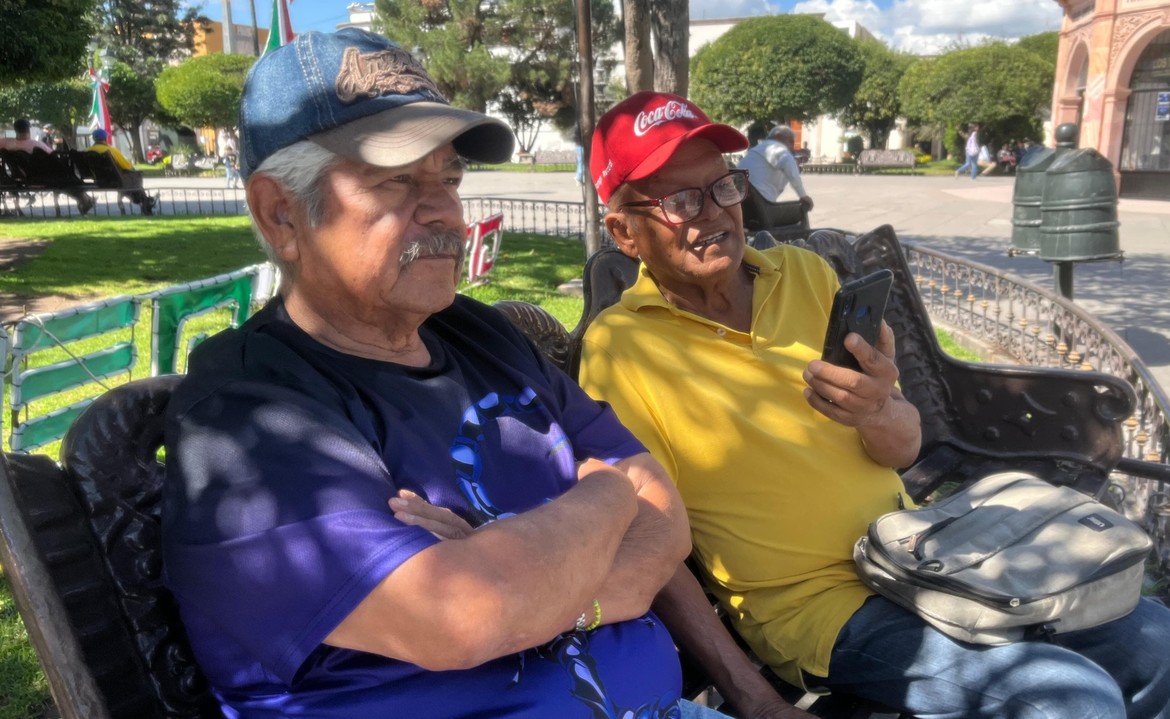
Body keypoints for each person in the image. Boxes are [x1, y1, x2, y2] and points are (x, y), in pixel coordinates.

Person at [578, 91, 1170, 719]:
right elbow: (651, 543)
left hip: (918, 556)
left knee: (1161, 644)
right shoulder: (622, 350)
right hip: (818, 609)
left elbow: (902, 448)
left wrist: (878, 407)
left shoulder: (804, 273)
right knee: (1071, 699)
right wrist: (755, 698)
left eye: (723, 188)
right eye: (679, 201)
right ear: (624, 232)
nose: (711, 214)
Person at [161, 29, 707, 719]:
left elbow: (664, 511)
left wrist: (545, 584)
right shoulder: (246, 415)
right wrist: (605, 493)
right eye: (397, 180)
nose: (447, 209)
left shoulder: (480, 334)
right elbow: (468, 612)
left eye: (448, 177)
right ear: (281, 213)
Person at [1, 119, 94, 214]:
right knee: (68, 179)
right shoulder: (37, 145)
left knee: (66, 180)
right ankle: (85, 199)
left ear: (15, 130)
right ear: (28, 130)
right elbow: (53, 157)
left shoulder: (7, 144)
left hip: (25, 177)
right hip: (45, 176)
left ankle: (84, 199)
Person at [736, 125, 813, 212]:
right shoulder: (775, 147)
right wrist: (803, 196)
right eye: (792, 142)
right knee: (799, 213)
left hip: (742, 201)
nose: (792, 146)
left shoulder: (759, 149)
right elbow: (787, 162)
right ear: (788, 139)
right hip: (761, 203)